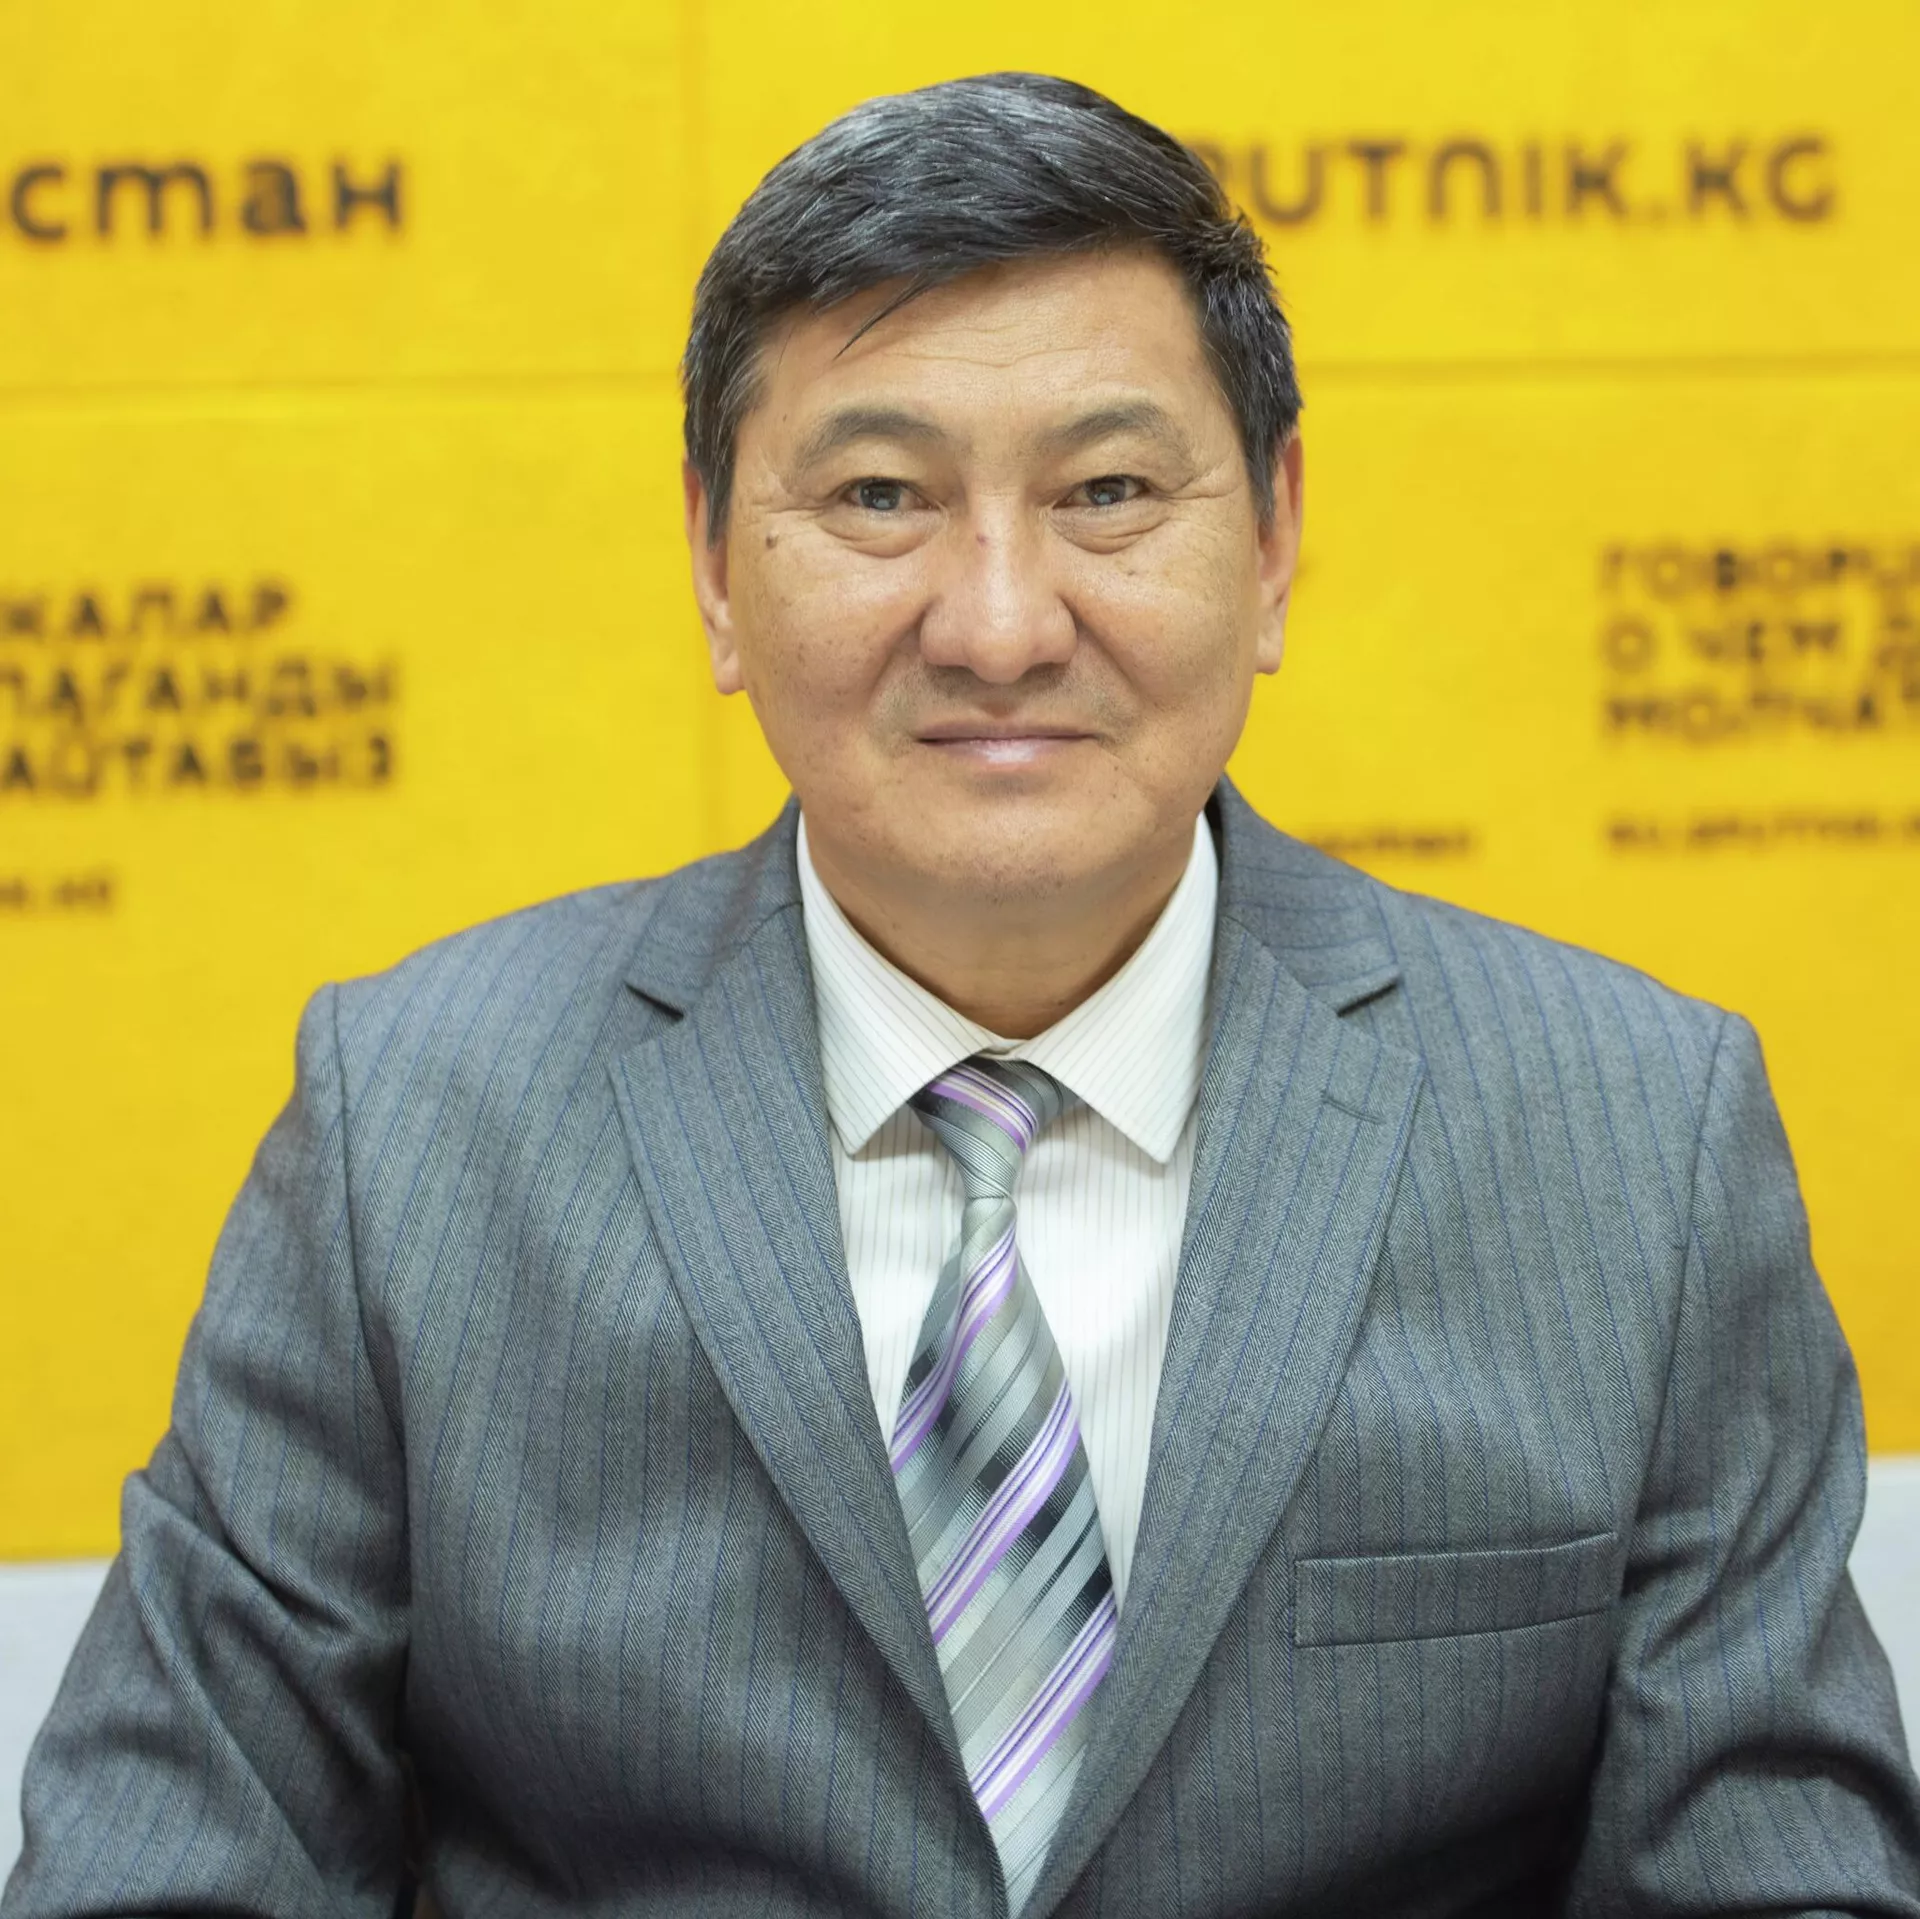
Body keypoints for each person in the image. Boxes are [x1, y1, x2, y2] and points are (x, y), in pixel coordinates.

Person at [6, 70, 1918, 1919]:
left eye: (1107, 489)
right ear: (714, 563)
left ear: (1269, 540)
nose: (1000, 623)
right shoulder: (413, 1127)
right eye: (879, 495)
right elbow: (169, 1861)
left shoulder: (1632, 1137)